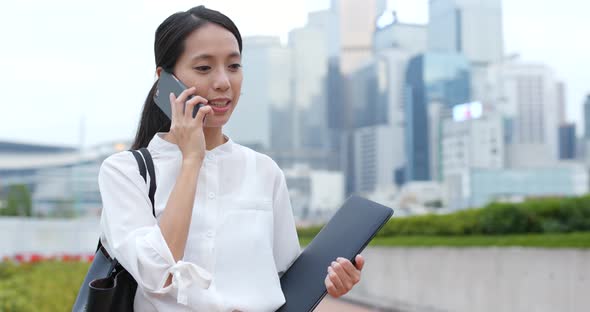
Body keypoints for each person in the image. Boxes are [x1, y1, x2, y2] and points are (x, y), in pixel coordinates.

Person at [98, 5, 364, 311]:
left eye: (234, 66)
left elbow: (286, 277)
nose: (223, 81)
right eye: (203, 68)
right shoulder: (126, 172)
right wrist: (191, 159)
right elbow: (156, 273)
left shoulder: (263, 171)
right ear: (165, 79)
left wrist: (332, 278)